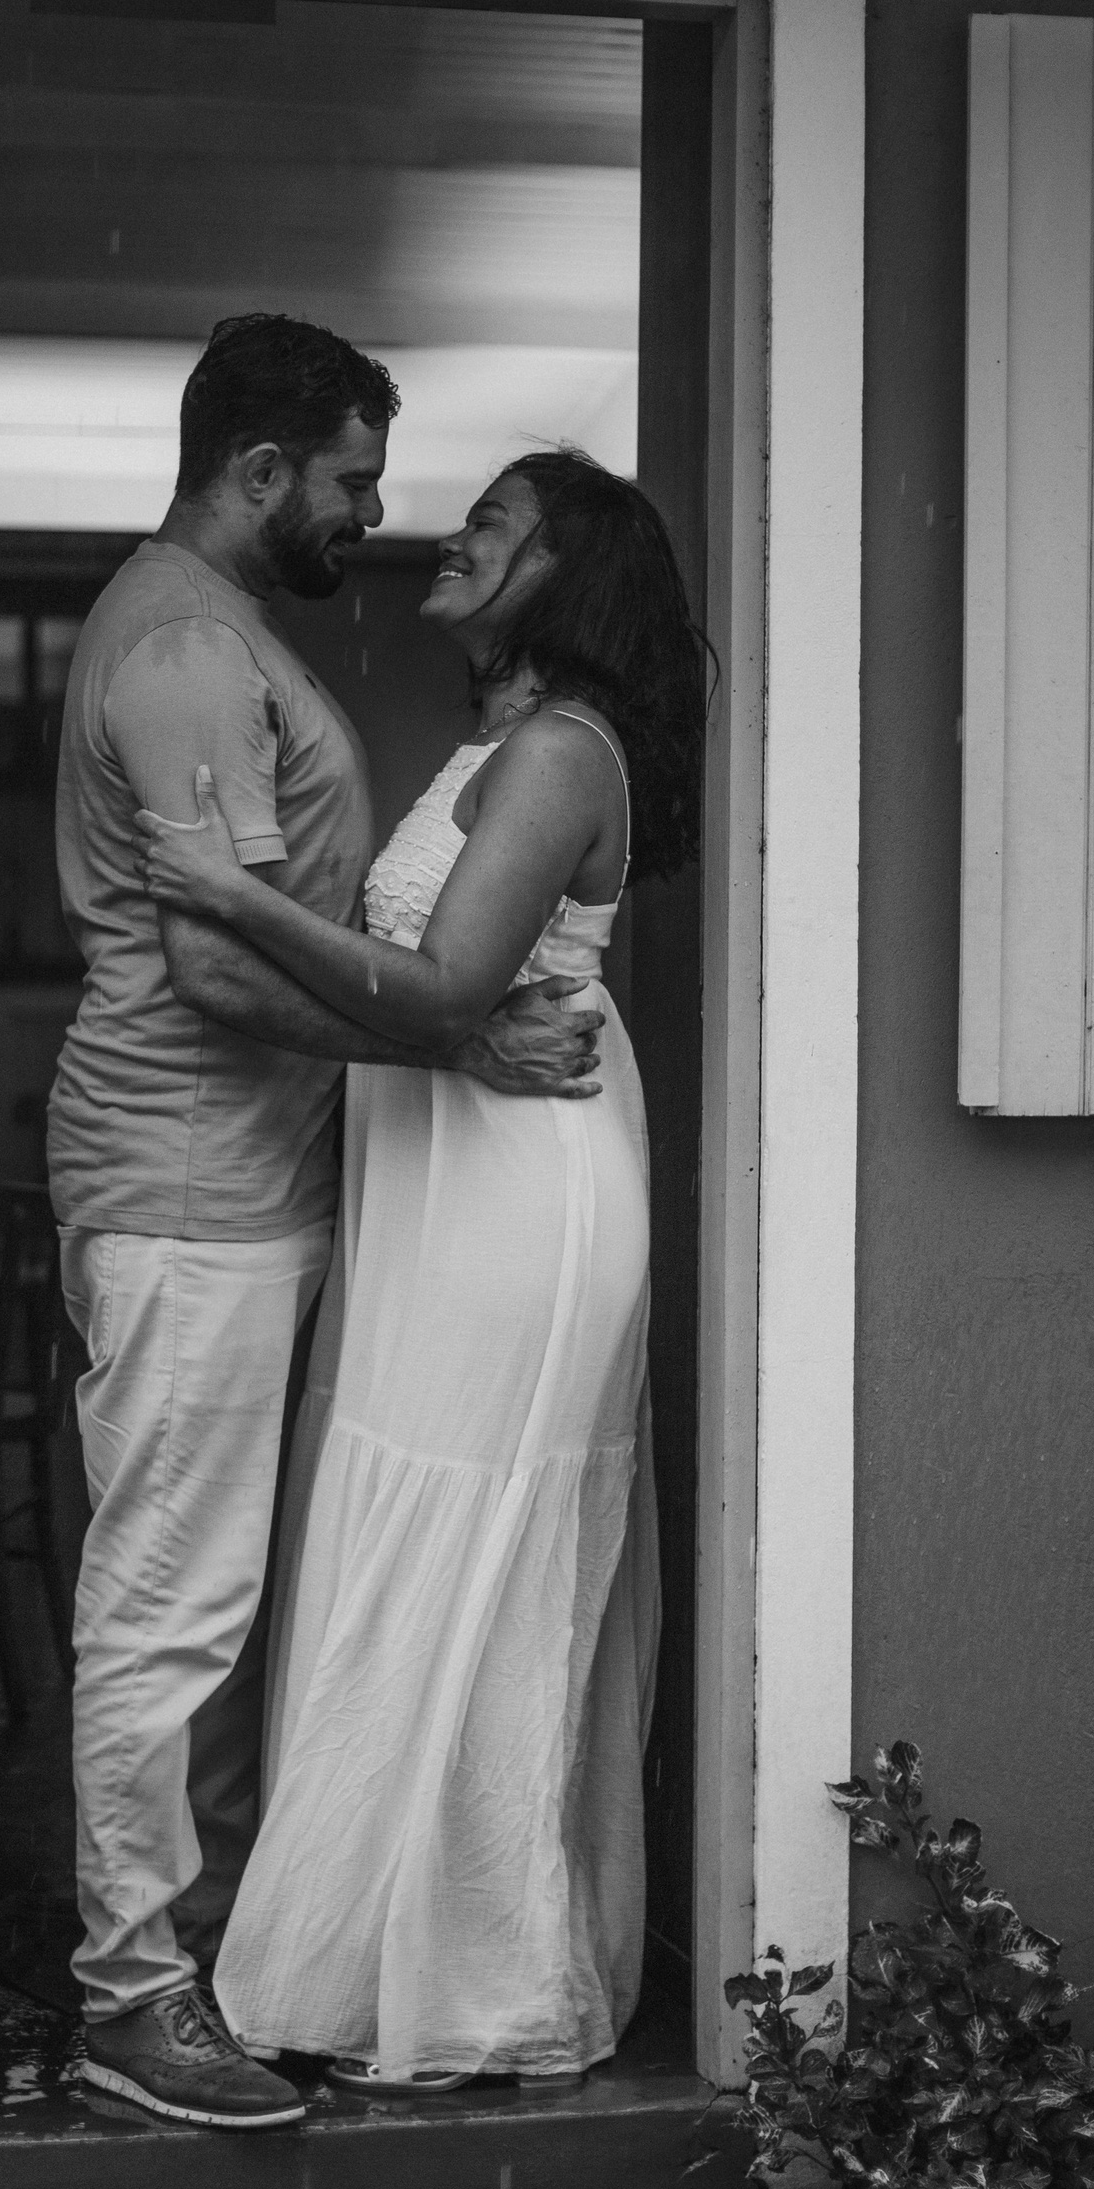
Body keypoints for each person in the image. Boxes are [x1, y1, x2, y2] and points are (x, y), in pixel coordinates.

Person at [46, 317, 606, 2131]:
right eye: (353, 480)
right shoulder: (191, 653)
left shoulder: (215, 633)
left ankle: (195, 1943)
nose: (373, 515)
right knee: (169, 1604)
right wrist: (455, 1035)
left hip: (241, 1185)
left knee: (204, 1596)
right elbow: (211, 965)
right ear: (264, 468)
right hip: (186, 1183)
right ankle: (132, 1999)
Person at [135, 449, 709, 2090]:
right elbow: (445, 1003)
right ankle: (372, 1956)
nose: (453, 539)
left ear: (563, 576)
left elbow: (450, 988)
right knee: (408, 1529)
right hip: (447, 1176)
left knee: (466, 1542)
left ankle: (475, 1983)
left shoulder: (562, 752)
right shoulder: (500, 746)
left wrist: (230, 896)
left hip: (519, 1196)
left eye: (493, 526)